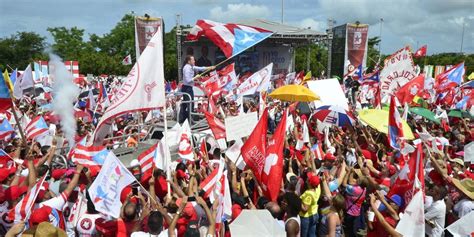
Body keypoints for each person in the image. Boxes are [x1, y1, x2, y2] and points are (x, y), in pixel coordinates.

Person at [179, 55, 214, 124]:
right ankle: (189, 120)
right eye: (193, 60)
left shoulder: (191, 67)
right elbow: (188, 80)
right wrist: (195, 77)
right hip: (187, 88)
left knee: (186, 104)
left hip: (188, 88)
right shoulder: (186, 68)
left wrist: (210, 68)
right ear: (189, 61)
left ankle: (182, 118)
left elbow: (200, 68)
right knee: (190, 104)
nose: (194, 61)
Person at [299, 172, 321, 237]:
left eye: (308, 180)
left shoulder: (308, 194)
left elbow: (305, 209)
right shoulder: (318, 188)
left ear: (309, 183)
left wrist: (297, 200)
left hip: (306, 217)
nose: (306, 180)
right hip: (314, 214)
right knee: (312, 234)